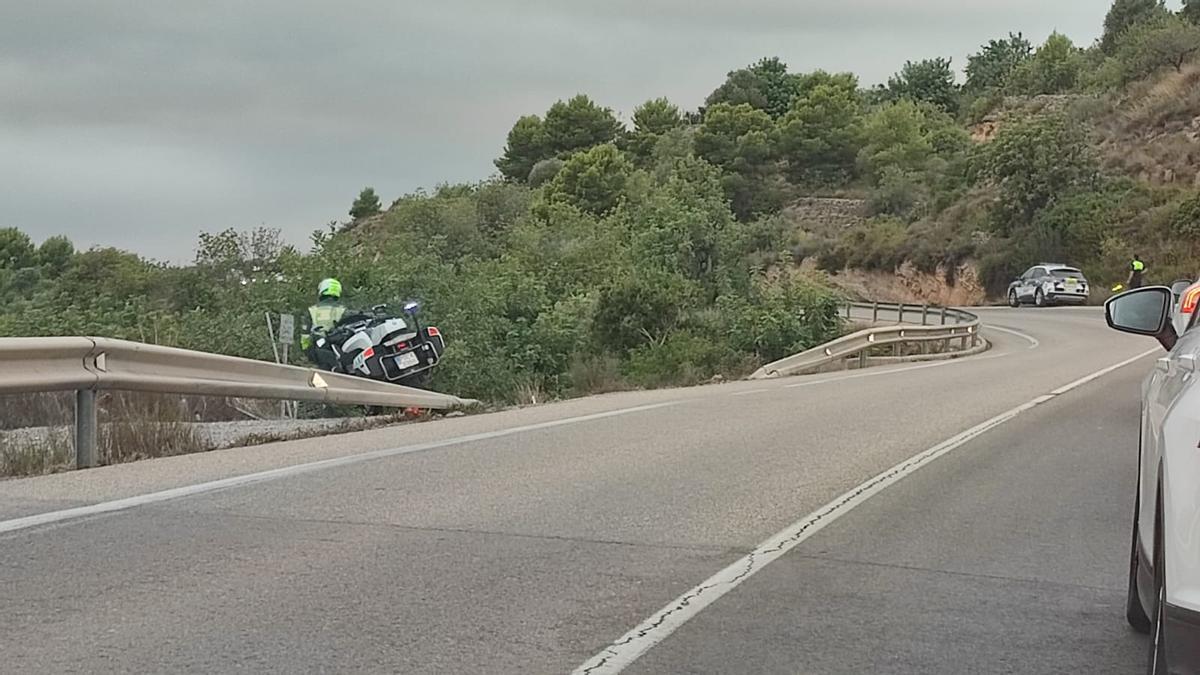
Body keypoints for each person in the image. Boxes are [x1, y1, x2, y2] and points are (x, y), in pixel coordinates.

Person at [302, 278, 348, 369]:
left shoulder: (311, 310)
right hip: (337, 348)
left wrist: (306, 350)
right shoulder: (343, 310)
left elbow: (305, 334)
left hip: (318, 347)